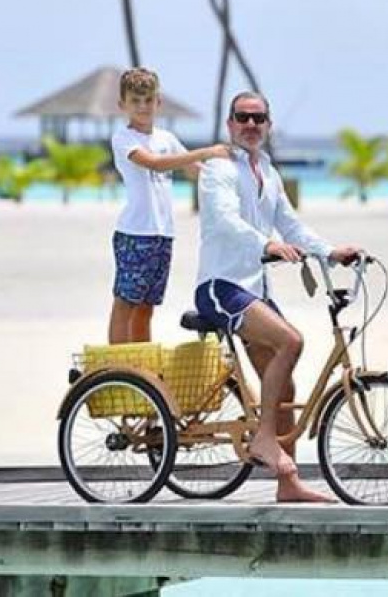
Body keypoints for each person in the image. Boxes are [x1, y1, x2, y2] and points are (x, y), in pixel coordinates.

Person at [194, 91, 363, 503]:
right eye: (243, 117)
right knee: (291, 341)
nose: (251, 125)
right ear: (230, 124)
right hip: (220, 286)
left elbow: (292, 224)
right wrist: (266, 244)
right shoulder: (218, 168)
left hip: (255, 290)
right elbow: (224, 219)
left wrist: (330, 251)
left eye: (259, 118)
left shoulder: (267, 170)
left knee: (285, 389)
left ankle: (288, 484)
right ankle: (265, 439)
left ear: (268, 125)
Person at [108, 68, 230, 344]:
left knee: (147, 306)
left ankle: (143, 363)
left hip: (163, 235)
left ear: (158, 102)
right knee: (125, 302)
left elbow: (195, 170)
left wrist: (233, 176)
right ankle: (118, 363)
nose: (142, 106)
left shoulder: (167, 138)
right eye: (135, 101)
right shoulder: (123, 138)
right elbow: (154, 163)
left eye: (148, 100)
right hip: (135, 234)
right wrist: (207, 150)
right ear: (122, 104)